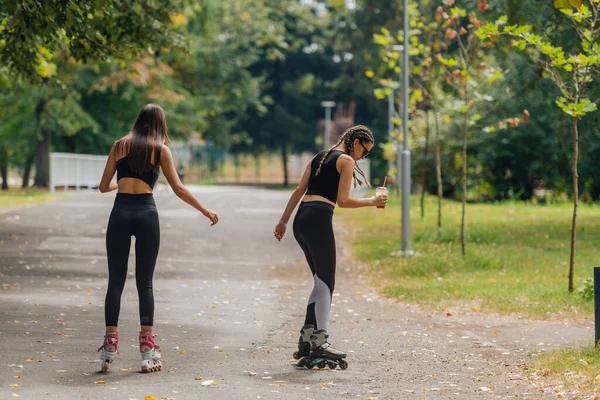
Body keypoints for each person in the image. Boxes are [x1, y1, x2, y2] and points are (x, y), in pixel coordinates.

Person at [97, 104, 219, 373]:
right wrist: (204, 210)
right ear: (159, 125)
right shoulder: (160, 150)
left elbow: (104, 186)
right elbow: (178, 188)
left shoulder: (119, 146)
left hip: (120, 211)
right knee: (145, 283)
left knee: (115, 281)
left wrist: (123, 181)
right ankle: (147, 351)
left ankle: (108, 347)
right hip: (146, 213)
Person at [273, 125, 388, 369]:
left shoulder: (319, 157)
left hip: (301, 220)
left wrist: (283, 221)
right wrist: (373, 201)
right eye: (364, 151)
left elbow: (298, 190)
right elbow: (344, 201)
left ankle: (306, 340)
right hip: (318, 219)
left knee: (319, 281)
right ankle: (320, 342)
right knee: (326, 283)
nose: (362, 157)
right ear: (356, 142)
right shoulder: (345, 161)